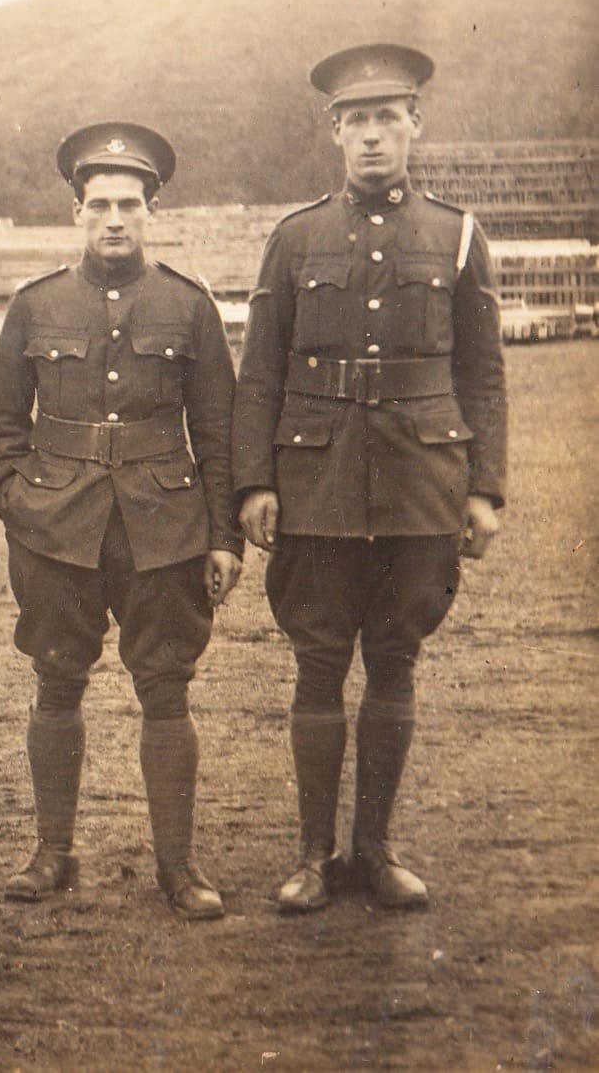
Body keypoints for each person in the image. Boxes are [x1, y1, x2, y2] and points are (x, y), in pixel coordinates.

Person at [233, 45, 507, 912]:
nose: (372, 136)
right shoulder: (294, 238)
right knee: (318, 665)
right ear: (334, 134)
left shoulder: (458, 235)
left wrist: (482, 488)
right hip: (314, 481)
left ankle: (375, 849)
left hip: (423, 479)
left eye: (388, 117)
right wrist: (254, 483)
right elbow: (260, 373)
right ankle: (314, 856)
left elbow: (484, 372)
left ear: (414, 126)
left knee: (394, 659)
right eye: (355, 121)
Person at [0, 122, 243, 920]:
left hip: (163, 525)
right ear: (76, 211)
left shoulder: (189, 306)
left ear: (151, 210)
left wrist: (223, 535)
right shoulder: (35, 304)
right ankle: (51, 853)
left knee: (165, 688)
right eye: (99, 204)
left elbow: (220, 435)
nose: (115, 218)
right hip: (56, 526)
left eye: (130, 203)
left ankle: (178, 866)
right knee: (56, 679)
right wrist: (22, 507)